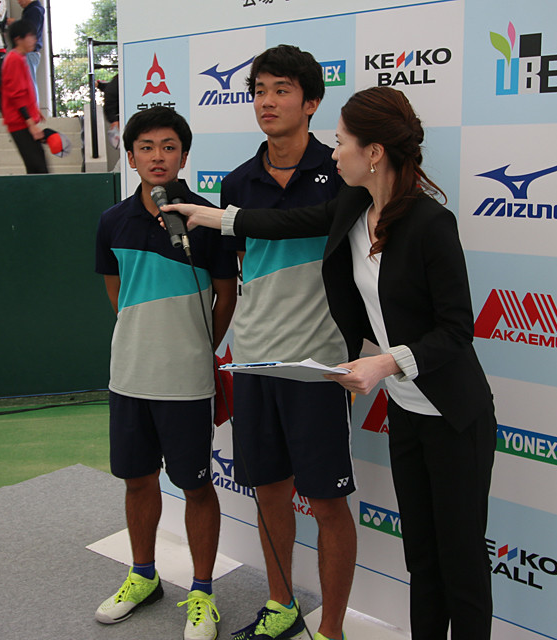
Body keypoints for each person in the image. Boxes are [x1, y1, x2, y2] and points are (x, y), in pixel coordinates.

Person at [162, 86, 497, 640]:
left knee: (461, 562)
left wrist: (383, 364)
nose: (332, 151)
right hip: (408, 413)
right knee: (422, 559)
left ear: (374, 153)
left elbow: (458, 331)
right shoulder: (352, 205)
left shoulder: (430, 224)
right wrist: (212, 217)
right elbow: (288, 224)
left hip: (454, 416)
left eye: (341, 142)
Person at [217, 44, 356, 640]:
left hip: (318, 365)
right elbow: (238, 271)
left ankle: (333, 630)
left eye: (280, 90)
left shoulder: (344, 171)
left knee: (326, 503)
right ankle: (281, 605)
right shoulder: (235, 182)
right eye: (258, 91)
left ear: (312, 100)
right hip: (252, 361)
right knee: (270, 491)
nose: (267, 102)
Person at [94, 106, 237, 640]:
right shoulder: (112, 221)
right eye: (147, 147)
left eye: (169, 146)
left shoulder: (207, 218)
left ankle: (202, 591)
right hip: (129, 375)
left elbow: (227, 296)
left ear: (184, 155)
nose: (158, 156)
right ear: (130, 156)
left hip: (187, 379)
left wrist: (199, 348)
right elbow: (116, 294)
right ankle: (144, 575)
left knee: (197, 486)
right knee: (137, 480)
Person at [1, 18, 46, 173]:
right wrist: (30, 123)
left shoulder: (19, 58)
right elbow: (16, 94)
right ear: (18, 39)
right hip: (19, 122)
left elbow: (24, 91)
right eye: (30, 36)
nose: (34, 40)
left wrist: (35, 110)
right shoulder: (13, 59)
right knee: (38, 168)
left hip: (22, 121)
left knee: (37, 167)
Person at [7, 0, 44, 102]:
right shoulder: (34, 10)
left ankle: (32, 110)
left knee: (29, 82)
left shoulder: (34, 11)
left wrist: (16, 24)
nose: (18, 2)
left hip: (30, 54)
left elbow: (30, 30)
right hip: (31, 53)